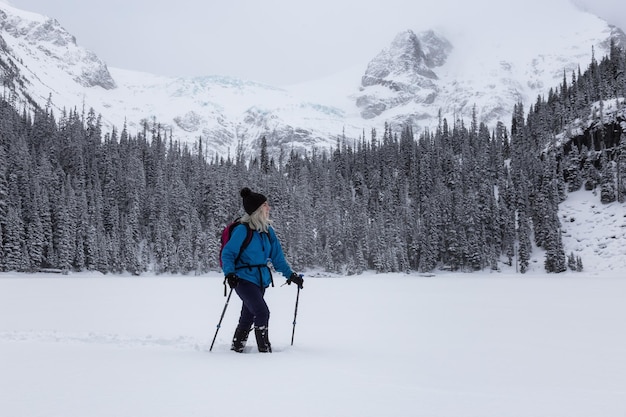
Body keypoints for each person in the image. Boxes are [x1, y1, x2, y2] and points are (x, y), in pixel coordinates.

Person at [221, 187, 304, 353]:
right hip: (242, 279)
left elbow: (277, 258)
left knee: (248, 315)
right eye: (265, 205)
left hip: (261, 280)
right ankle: (264, 351)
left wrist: (291, 275)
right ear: (257, 209)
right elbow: (228, 253)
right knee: (262, 312)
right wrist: (229, 274)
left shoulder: (267, 231)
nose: (269, 208)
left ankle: (237, 347)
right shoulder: (241, 230)